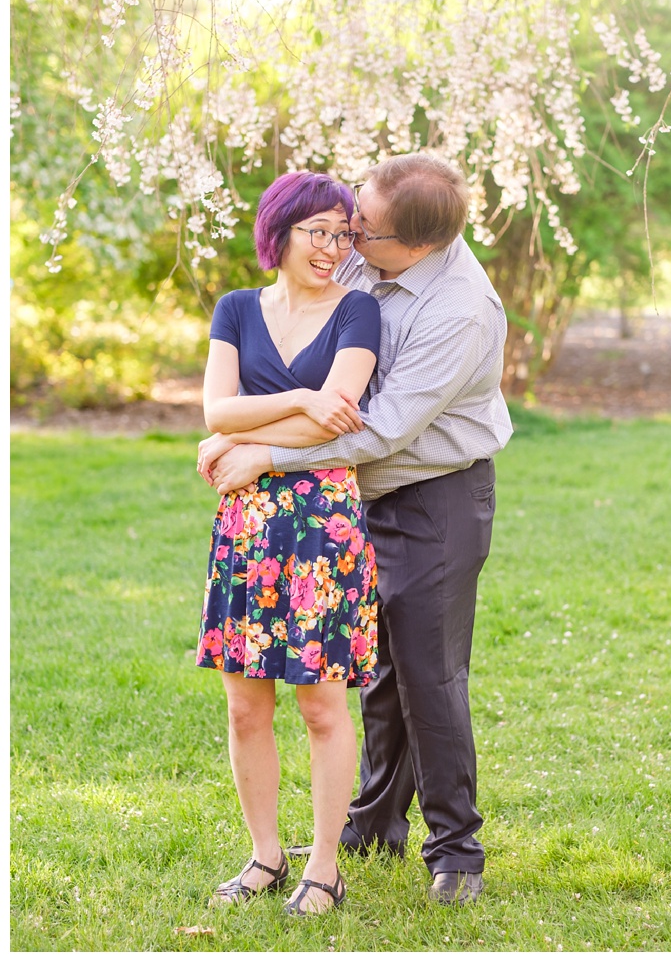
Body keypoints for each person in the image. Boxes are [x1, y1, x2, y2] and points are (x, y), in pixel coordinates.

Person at [200, 152, 513, 905]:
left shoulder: (460, 310)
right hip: (353, 496)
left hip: (436, 494)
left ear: (413, 245)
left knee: (430, 675)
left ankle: (457, 851)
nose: (346, 245)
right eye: (344, 226)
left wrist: (262, 455)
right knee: (376, 674)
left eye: (360, 233)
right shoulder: (369, 265)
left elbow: (383, 431)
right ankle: (373, 822)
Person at [196, 170, 381, 915]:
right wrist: (300, 399)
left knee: (321, 703)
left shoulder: (358, 312)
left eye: (345, 234)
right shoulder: (237, 309)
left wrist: (244, 437)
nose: (334, 248)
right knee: (246, 705)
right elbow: (215, 405)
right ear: (280, 233)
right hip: (245, 527)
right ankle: (267, 855)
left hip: (320, 527)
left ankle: (326, 865)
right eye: (319, 232)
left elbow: (340, 417)